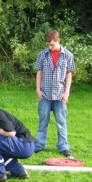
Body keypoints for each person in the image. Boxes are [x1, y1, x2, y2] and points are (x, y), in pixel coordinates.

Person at [34, 29, 75, 158]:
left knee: (61, 121)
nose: (50, 47)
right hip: (45, 94)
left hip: (60, 95)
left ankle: (63, 146)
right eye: (48, 45)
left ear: (58, 40)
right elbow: (39, 72)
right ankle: (40, 144)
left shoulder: (68, 55)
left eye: (52, 44)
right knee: (43, 121)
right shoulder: (43, 54)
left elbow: (69, 75)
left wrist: (66, 93)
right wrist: (38, 90)